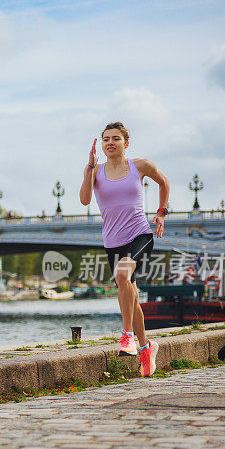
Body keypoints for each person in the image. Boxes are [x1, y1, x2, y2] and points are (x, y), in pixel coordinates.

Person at [79, 122, 170, 377]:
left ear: (125, 143)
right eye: (106, 138)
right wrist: (89, 168)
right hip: (112, 241)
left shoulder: (139, 166)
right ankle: (146, 347)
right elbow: (85, 199)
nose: (110, 142)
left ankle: (127, 336)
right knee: (131, 294)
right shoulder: (95, 171)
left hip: (140, 234)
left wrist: (161, 213)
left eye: (116, 138)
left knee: (122, 275)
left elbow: (163, 183)